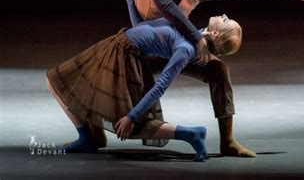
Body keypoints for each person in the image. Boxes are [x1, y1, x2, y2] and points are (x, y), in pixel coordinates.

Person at [126, 0, 304, 157]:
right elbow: (166, 8)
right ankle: (91, 132)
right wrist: (197, 37)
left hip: (176, 47)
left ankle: (227, 141)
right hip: (144, 51)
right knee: (113, 95)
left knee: (218, 69)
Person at [46, 14, 242, 162]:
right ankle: (87, 137)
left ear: (215, 33)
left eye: (226, 21)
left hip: (124, 55)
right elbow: (144, 22)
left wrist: (131, 117)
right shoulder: (195, 33)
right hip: (117, 44)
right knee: (68, 81)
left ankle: (189, 133)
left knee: (124, 121)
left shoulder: (185, 49)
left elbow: (161, 85)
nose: (224, 16)